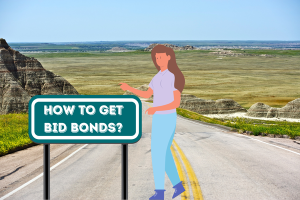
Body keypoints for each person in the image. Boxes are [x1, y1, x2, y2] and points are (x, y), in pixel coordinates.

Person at [119, 44, 185, 200]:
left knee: (157, 153)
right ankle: (177, 186)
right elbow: (147, 94)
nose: (158, 60)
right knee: (165, 152)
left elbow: (176, 103)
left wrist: (156, 109)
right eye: (156, 58)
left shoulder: (173, 76)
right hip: (159, 118)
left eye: (161, 56)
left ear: (169, 57)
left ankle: (160, 193)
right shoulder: (157, 77)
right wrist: (130, 88)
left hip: (167, 117)